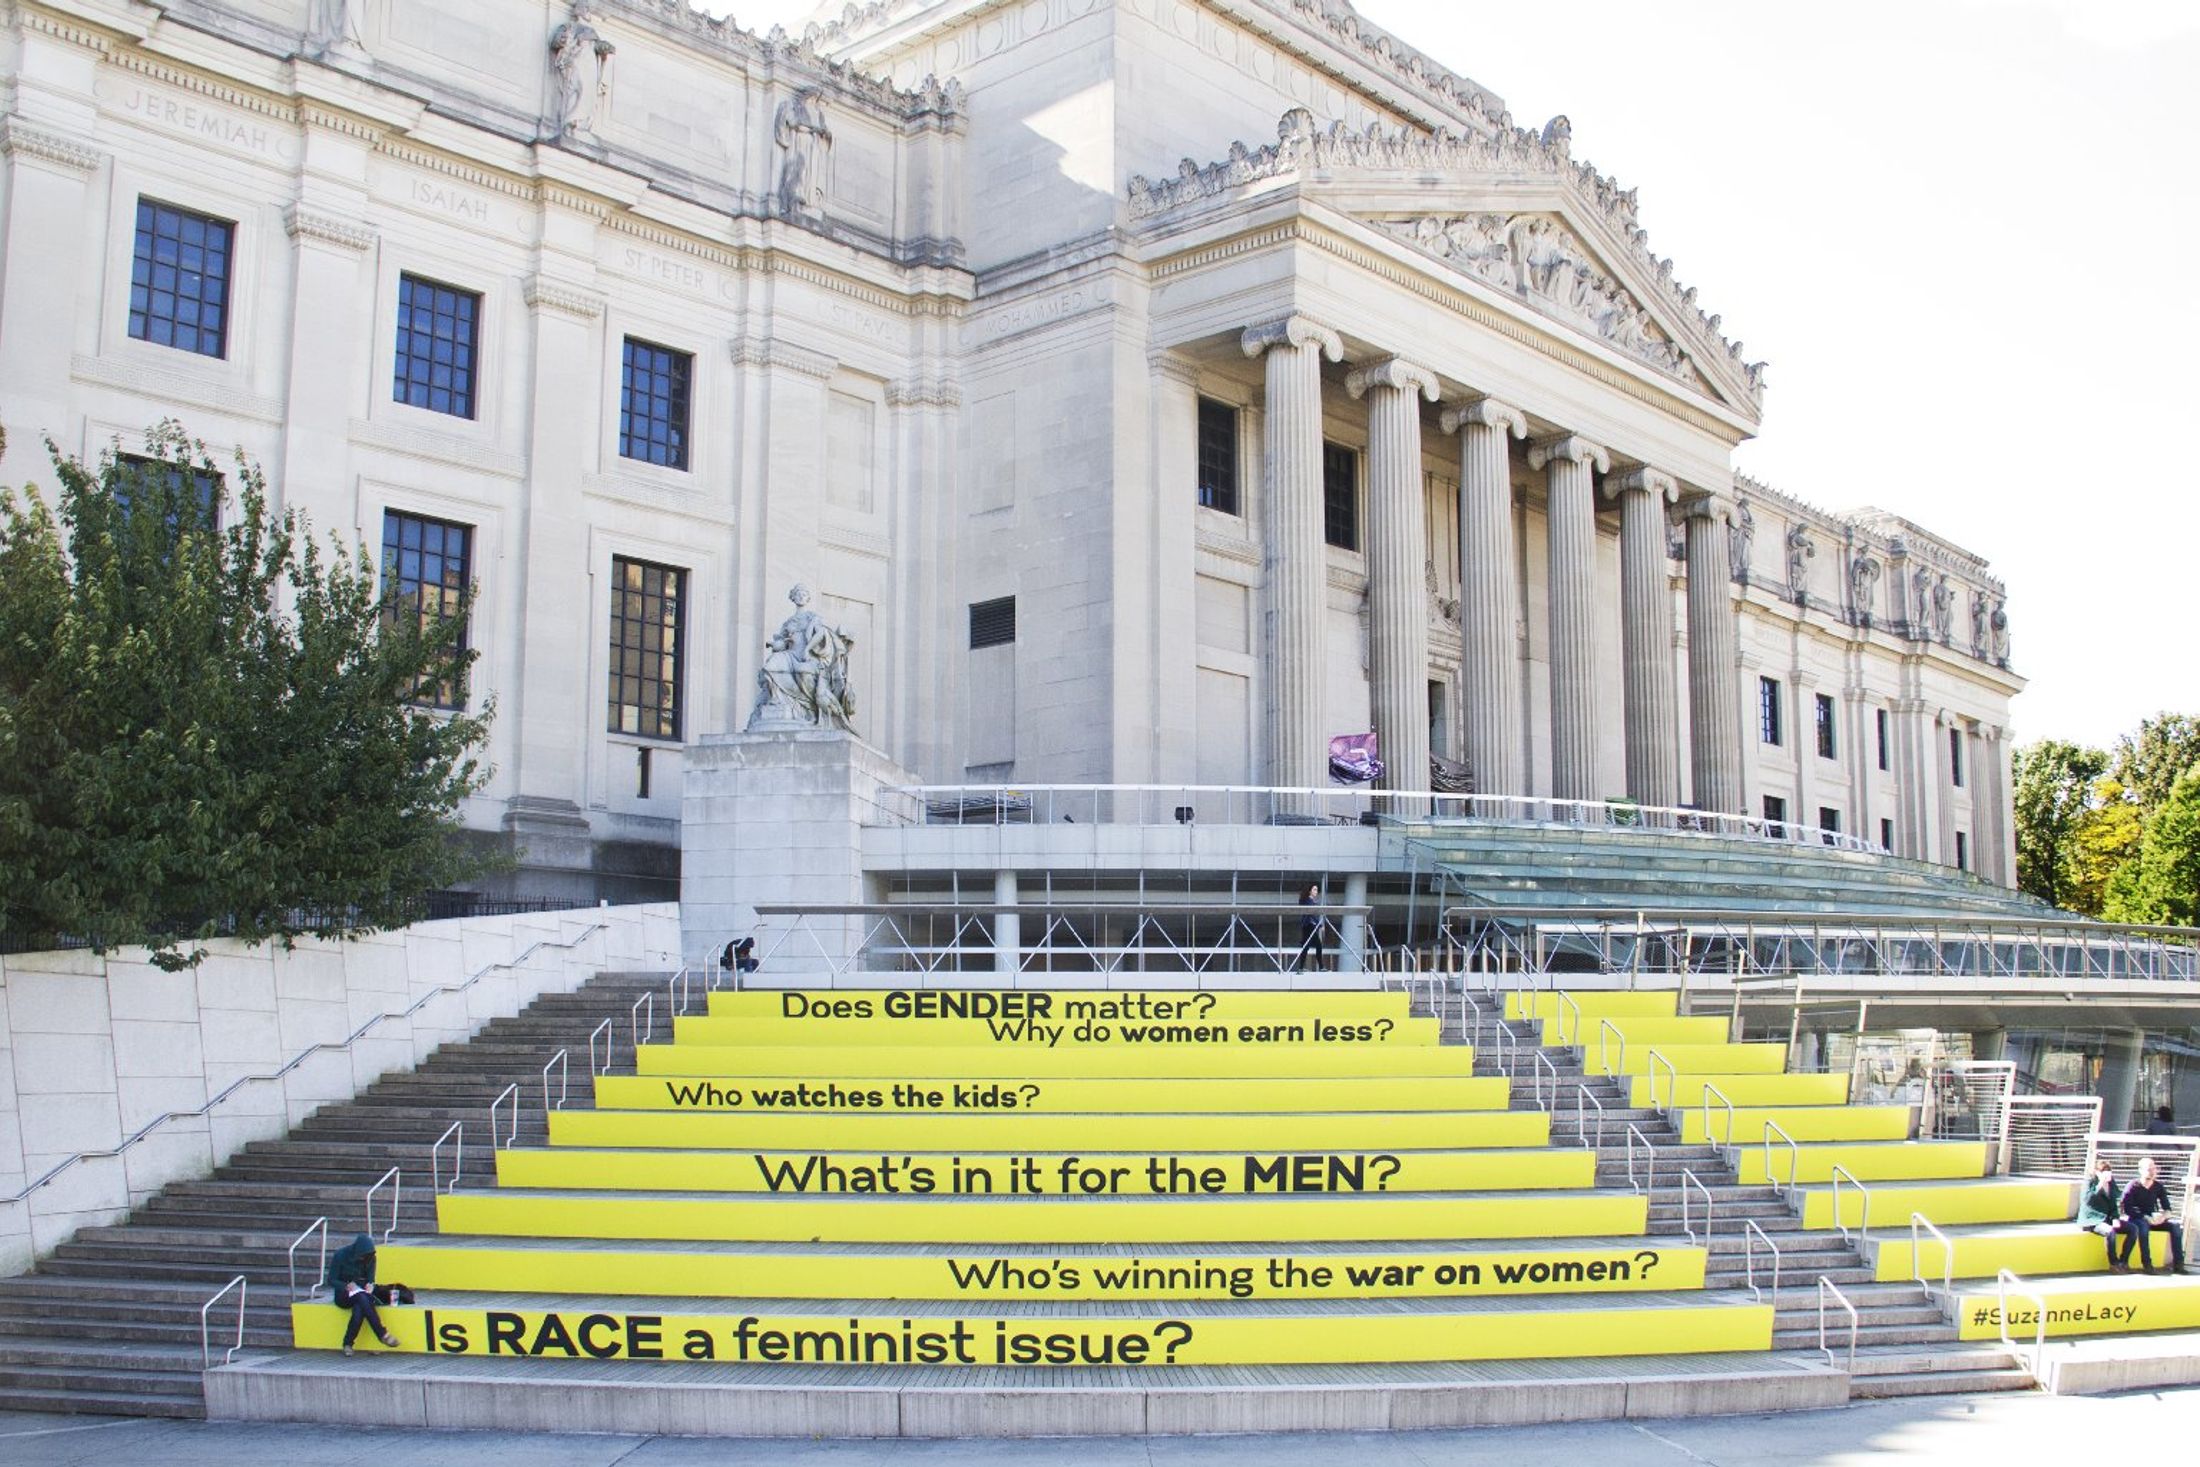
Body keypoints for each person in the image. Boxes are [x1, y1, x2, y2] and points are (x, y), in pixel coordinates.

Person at [327, 1233, 399, 1354]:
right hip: (344, 1295)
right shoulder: (340, 1255)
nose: (363, 1260)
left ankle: (348, 1344)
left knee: (360, 1306)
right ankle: (382, 1334)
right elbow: (331, 1280)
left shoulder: (371, 1259)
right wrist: (345, 1286)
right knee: (362, 1298)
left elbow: (370, 1278)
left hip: (361, 1292)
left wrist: (370, 1285)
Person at [2119, 1157, 2188, 1275]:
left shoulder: (2158, 1186)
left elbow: (2167, 1208)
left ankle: (2178, 1264)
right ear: (2140, 1170)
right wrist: (2145, 1217)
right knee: (2143, 1227)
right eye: (2148, 1169)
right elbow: (2127, 1209)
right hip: (2138, 1219)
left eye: (2154, 1168)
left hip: (2154, 1219)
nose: (2152, 1172)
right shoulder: (2133, 1186)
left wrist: (2163, 1217)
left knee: (2175, 1226)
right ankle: (2147, 1264)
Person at [2079, 1159, 2127, 1270]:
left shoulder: (2111, 1183)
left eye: (2108, 1170)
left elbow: (2114, 1199)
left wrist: (2115, 1218)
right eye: (2103, 1171)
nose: (2107, 1173)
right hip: (2092, 1220)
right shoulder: (2089, 1182)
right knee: (2110, 1232)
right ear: (2097, 1172)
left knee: (2133, 1229)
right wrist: (2100, 1184)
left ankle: (2123, 1261)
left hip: (2107, 1218)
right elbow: (2087, 1200)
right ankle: (2114, 1264)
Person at [1290, 883, 1327, 974]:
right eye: (1314, 889)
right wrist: (1320, 925)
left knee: (1307, 946)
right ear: (1310, 891)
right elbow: (1311, 914)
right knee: (1315, 945)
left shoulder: (1310, 901)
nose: (1316, 892)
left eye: (1317, 890)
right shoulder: (1309, 901)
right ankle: (1319, 967)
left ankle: (1302, 968)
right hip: (1309, 926)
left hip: (1309, 926)